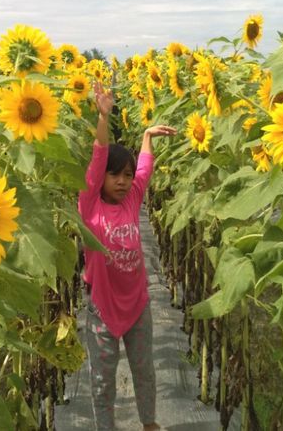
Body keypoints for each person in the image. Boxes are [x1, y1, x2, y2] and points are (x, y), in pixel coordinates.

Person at [78, 80, 176, 431]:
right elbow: (99, 153)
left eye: (126, 176)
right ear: (99, 178)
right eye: (114, 175)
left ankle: (148, 422)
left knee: (144, 370)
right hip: (102, 310)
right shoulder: (89, 205)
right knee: (102, 380)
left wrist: (147, 137)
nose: (122, 181)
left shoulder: (133, 199)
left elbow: (145, 170)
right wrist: (104, 116)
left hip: (137, 306)